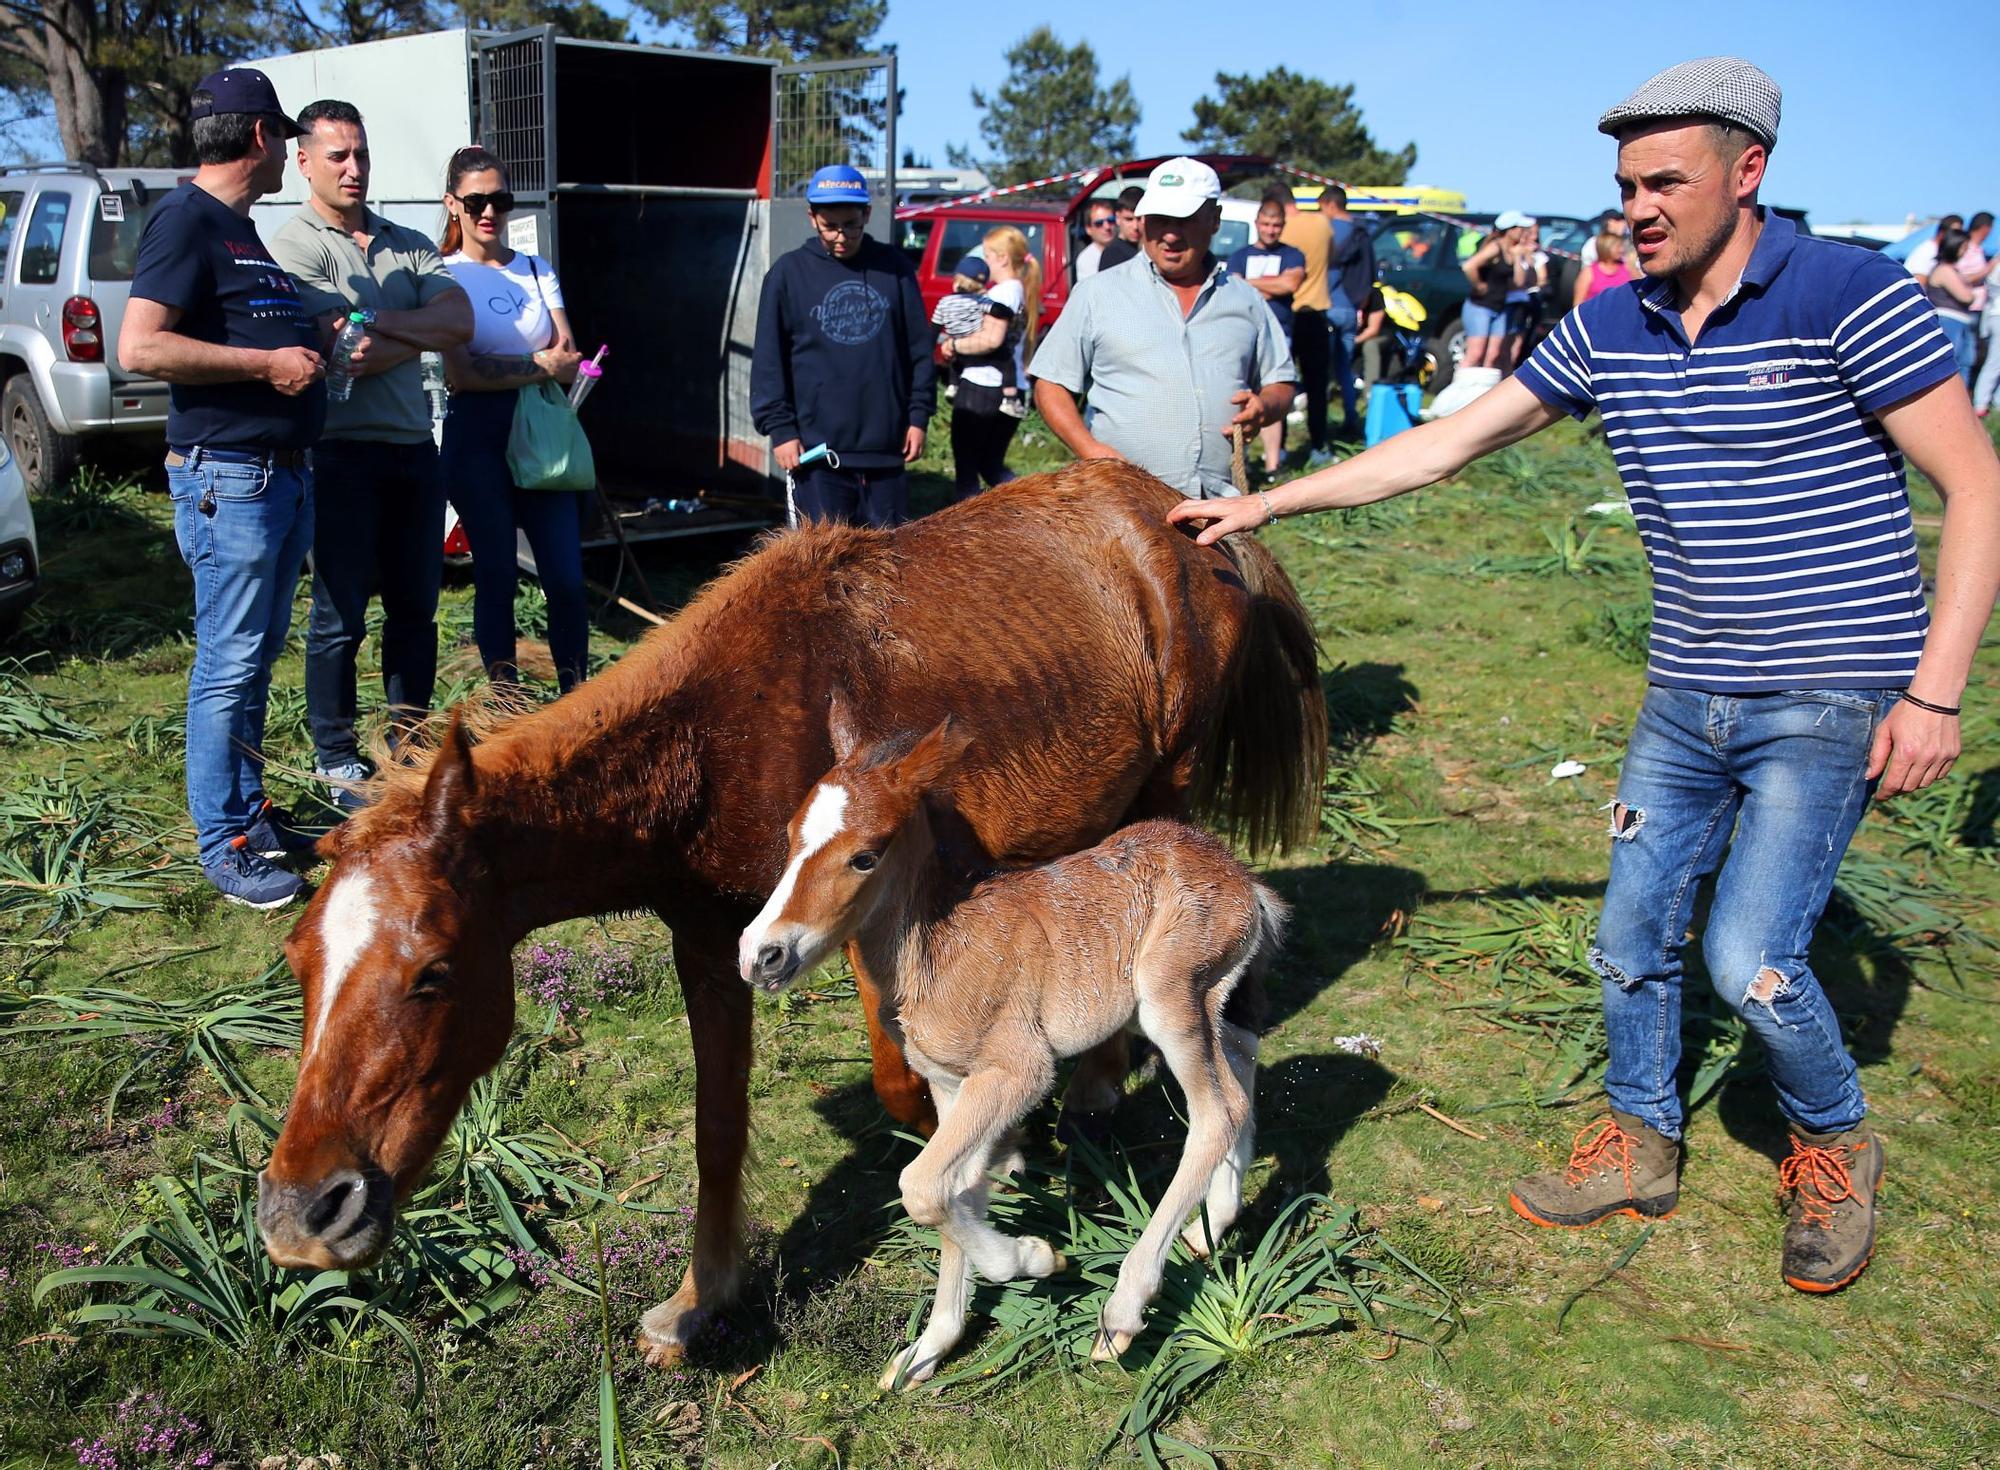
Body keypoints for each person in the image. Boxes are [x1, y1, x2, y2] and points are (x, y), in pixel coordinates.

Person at [1170, 57, 2000, 1296]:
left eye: (1665, 179)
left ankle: (1832, 1143)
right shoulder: (1611, 321)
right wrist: (1262, 502)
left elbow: (1975, 485)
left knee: (1749, 963)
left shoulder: (1846, 295)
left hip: (1825, 696)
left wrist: (1934, 695)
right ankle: (1639, 1138)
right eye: (1623, 185)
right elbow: (1448, 443)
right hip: (1683, 693)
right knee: (1624, 940)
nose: (1638, 205)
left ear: (1747, 172)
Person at [117, 70, 325, 909]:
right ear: (262, 138)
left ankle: (250, 815)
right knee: (228, 664)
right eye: (283, 137)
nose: (286, 151)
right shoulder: (185, 219)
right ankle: (225, 845)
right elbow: (140, 347)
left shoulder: (238, 230)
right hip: (228, 482)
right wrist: (268, 363)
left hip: (276, 478)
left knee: (253, 662)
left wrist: (309, 347)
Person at [270, 100, 473, 811]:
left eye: (361, 154)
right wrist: (406, 332)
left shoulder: (407, 241)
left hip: (415, 452)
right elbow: (336, 346)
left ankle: (408, 746)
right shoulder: (292, 245)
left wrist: (375, 321)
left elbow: (459, 320)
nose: (354, 169)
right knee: (340, 617)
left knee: (417, 610)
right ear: (304, 161)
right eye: (337, 157)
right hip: (339, 455)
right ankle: (334, 754)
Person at [1031, 156, 1297, 499]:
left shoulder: (1245, 300)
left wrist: (1266, 406)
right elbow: (1050, 382)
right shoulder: (1097, 294)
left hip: (1215, 506)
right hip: (1119, 506)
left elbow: (1281, 381)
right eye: (1159, 220)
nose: (1170, 234)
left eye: (1184, 220)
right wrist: (1091, 451)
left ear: (1214, 220)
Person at [434, 145, 588, 693]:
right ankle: (505, 699)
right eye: (476, 200)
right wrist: (537, 363)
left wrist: (529, 366)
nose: (488, 211)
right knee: (496, 575)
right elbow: (463, 374)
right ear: (452, 203)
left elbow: (568, 361)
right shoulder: (443, 274)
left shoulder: (535, 268)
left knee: (566, 580)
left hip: (541, 430)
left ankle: (577, 699)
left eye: (500, 199)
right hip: (477, 433)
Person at [751, 163, 934, 527]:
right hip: (817, 453)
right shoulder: (788, 274)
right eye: (830, 226)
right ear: (812, 217)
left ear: (866, 214)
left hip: (886, 449)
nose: (841, 236)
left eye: (851, 224)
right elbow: (770, 359)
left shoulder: (895, 269)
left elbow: (919, 349)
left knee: (890, 562)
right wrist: (782, 430)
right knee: (823, 568)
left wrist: (918, 416)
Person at [939, 228, 1040, 498]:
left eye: (987, 256)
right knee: (990, 465)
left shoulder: (1002, 294)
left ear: (1003, 258)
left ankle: (971, 529)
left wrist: (954, 345)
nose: (985, 262)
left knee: (968, 468)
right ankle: (1027, 508)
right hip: (1010, 386)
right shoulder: (1020, 290)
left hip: (983, 386)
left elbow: (992, 340)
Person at [1225, 189, 1306, 475]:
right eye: (1266, 224)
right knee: (1241, 396)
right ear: (1257, 222)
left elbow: (1290, 285)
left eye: (1276, 225)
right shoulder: (1239, 256)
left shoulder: (1292, 255)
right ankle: (1240, 461)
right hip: (1243, 335)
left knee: (1273, 393)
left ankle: (1274, 463)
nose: (1271, 230)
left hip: (1280, 333)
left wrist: (1250, 284)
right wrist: (1271, 284)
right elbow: (1236, 286)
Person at [1275, 186, 1334, 464]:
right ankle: (1320, 445)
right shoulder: (1321, 222)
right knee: (1317, 386)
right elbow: (1330, 258)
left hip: (1286, 316)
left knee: (1282, 385)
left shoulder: (1282, 231)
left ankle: (1281, 449)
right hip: (1317, 312)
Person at [1322, 184, 1375, 440]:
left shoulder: (1327, 230)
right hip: (1351, 308)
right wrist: (1360, 306)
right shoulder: (1362, 233)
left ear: (1330, 205)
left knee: (1320, 371)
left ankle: (1320, 431)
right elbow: (1370, 274)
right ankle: (1351, 419)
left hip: (1327, 307)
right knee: (1345, 370)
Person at [1460, 211, 1531, 371]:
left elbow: (1519, 282)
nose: (1523, 233)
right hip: (1480, 306)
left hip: (1500, 307)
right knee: (1475, 354)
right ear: (1510, 230)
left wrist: (1518, 257)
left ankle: (1484, 391)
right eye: (1520, 229)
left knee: (1494, 355)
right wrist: (1479, 285)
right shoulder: (1495, 247)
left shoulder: (1512, 252)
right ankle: (1458, 391)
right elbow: (1469, 266)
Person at [1925, 228, 1980, 385]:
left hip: (1959, 321)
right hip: (1950, 320)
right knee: (1952, 365)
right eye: (1963, 247)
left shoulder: (1953, 271)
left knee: (1965, 362)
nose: (1965, 252)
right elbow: (1966, 296)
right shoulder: (1944, 270)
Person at [1501, 217, 1549, 371]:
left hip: (1524, 300)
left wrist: (1528, 256)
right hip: (1506, 300)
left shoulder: (1535, 255)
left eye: (1535, 233)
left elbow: (1536, 279)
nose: (1532, 236)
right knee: (1503, 340)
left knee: (1517, 340)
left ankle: (1510, 370)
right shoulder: (1508, 249)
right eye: (1528, 232)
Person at [1572, 228, 1639, 307]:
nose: (1621, 250)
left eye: (1621, 246)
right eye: (1617, 247)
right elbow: (1578, 302)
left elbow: (1640, 290)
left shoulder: (1628, 267)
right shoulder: (1589, 271)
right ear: (1606, 248)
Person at [1097, 185, 1145, 271]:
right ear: (1118, 218)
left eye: (1139, 219)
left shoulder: (1148, 251)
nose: (1135, 226)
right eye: (1129, 219)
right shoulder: (1112, 255)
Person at [1904, 214, 1962, 279]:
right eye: (1955, 232)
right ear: (1942, 232)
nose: (1958, 237)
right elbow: (1920, 281)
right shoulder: (1928, 251)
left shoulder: (1940, 252)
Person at [1074, 198, 1116, 280]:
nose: (1107, 227)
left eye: (1111, 220)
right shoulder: (1086, 260)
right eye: (1099, 223)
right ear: (1088, 229)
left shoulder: (1126, 248)